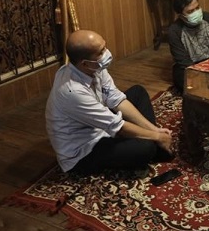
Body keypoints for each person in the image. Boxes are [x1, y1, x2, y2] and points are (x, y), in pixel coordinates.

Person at [45, 30, 173, 175]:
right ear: (85, 63)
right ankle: (153, 147)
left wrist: (154, 131)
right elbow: (118, 127)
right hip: (84, 150)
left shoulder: (94, 68)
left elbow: (116, 99)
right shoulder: (72, 91)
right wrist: (157, 137)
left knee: (138, 92)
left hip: (98, 126)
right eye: (101, 52)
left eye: (105, 46)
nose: (107, 53)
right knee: (145, 148)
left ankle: (153, 143)